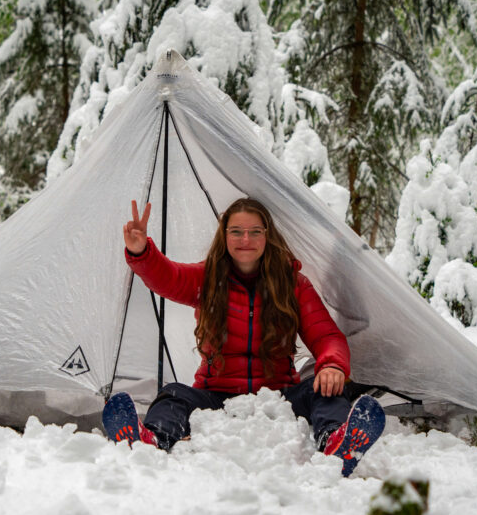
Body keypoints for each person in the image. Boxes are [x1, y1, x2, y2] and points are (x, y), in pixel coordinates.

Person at [103, 197, 384, 477]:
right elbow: (168, 276)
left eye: (254, 232)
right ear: (224, 236)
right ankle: (151, 441)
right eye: (236, 231)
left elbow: (326, 336)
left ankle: (336, 443)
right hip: (216, 395)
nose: (245, 239)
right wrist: (141, 252)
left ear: (267, 235)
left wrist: (332, 365)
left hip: (279, 395)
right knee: (173, 395)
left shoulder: (293, 284)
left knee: (324, 390)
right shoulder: (207, 279)